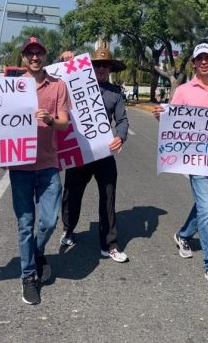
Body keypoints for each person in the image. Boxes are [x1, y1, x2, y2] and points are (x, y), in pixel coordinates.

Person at [152, 43, 208, 290]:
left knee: (207, 203)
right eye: (199, 58)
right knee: (206, 210)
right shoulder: (183, 90)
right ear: (193, 62)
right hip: (195, 160)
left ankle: (183, 235)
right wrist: (162, 115)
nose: (204, 62)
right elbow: (173, 120)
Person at [8, 35, 70, 305]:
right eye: (29, 53)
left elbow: (64, 124)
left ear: (45, 56)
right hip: (20, 167)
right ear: (23, 58)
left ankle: (36, 251)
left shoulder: (57, 86)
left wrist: (50, 119)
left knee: (48, 221)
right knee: (25, 224)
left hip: (48, 166)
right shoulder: (11, 87)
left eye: (39, 53)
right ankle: (28, 276)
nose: (35, 57)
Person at [60, 44, 130, 263]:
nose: (101, 68)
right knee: (72, 194)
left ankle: (109, 243)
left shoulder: (115, 93)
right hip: (80, 152)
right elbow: (56, 81)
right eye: (97, 64)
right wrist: (64, 61)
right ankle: (69, 229)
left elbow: (122, 120)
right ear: (90, 66)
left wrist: (121, 135)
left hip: (104, 153)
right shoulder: (72, 87)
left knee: (108, 197)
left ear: (110, 69)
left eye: (105, 65)